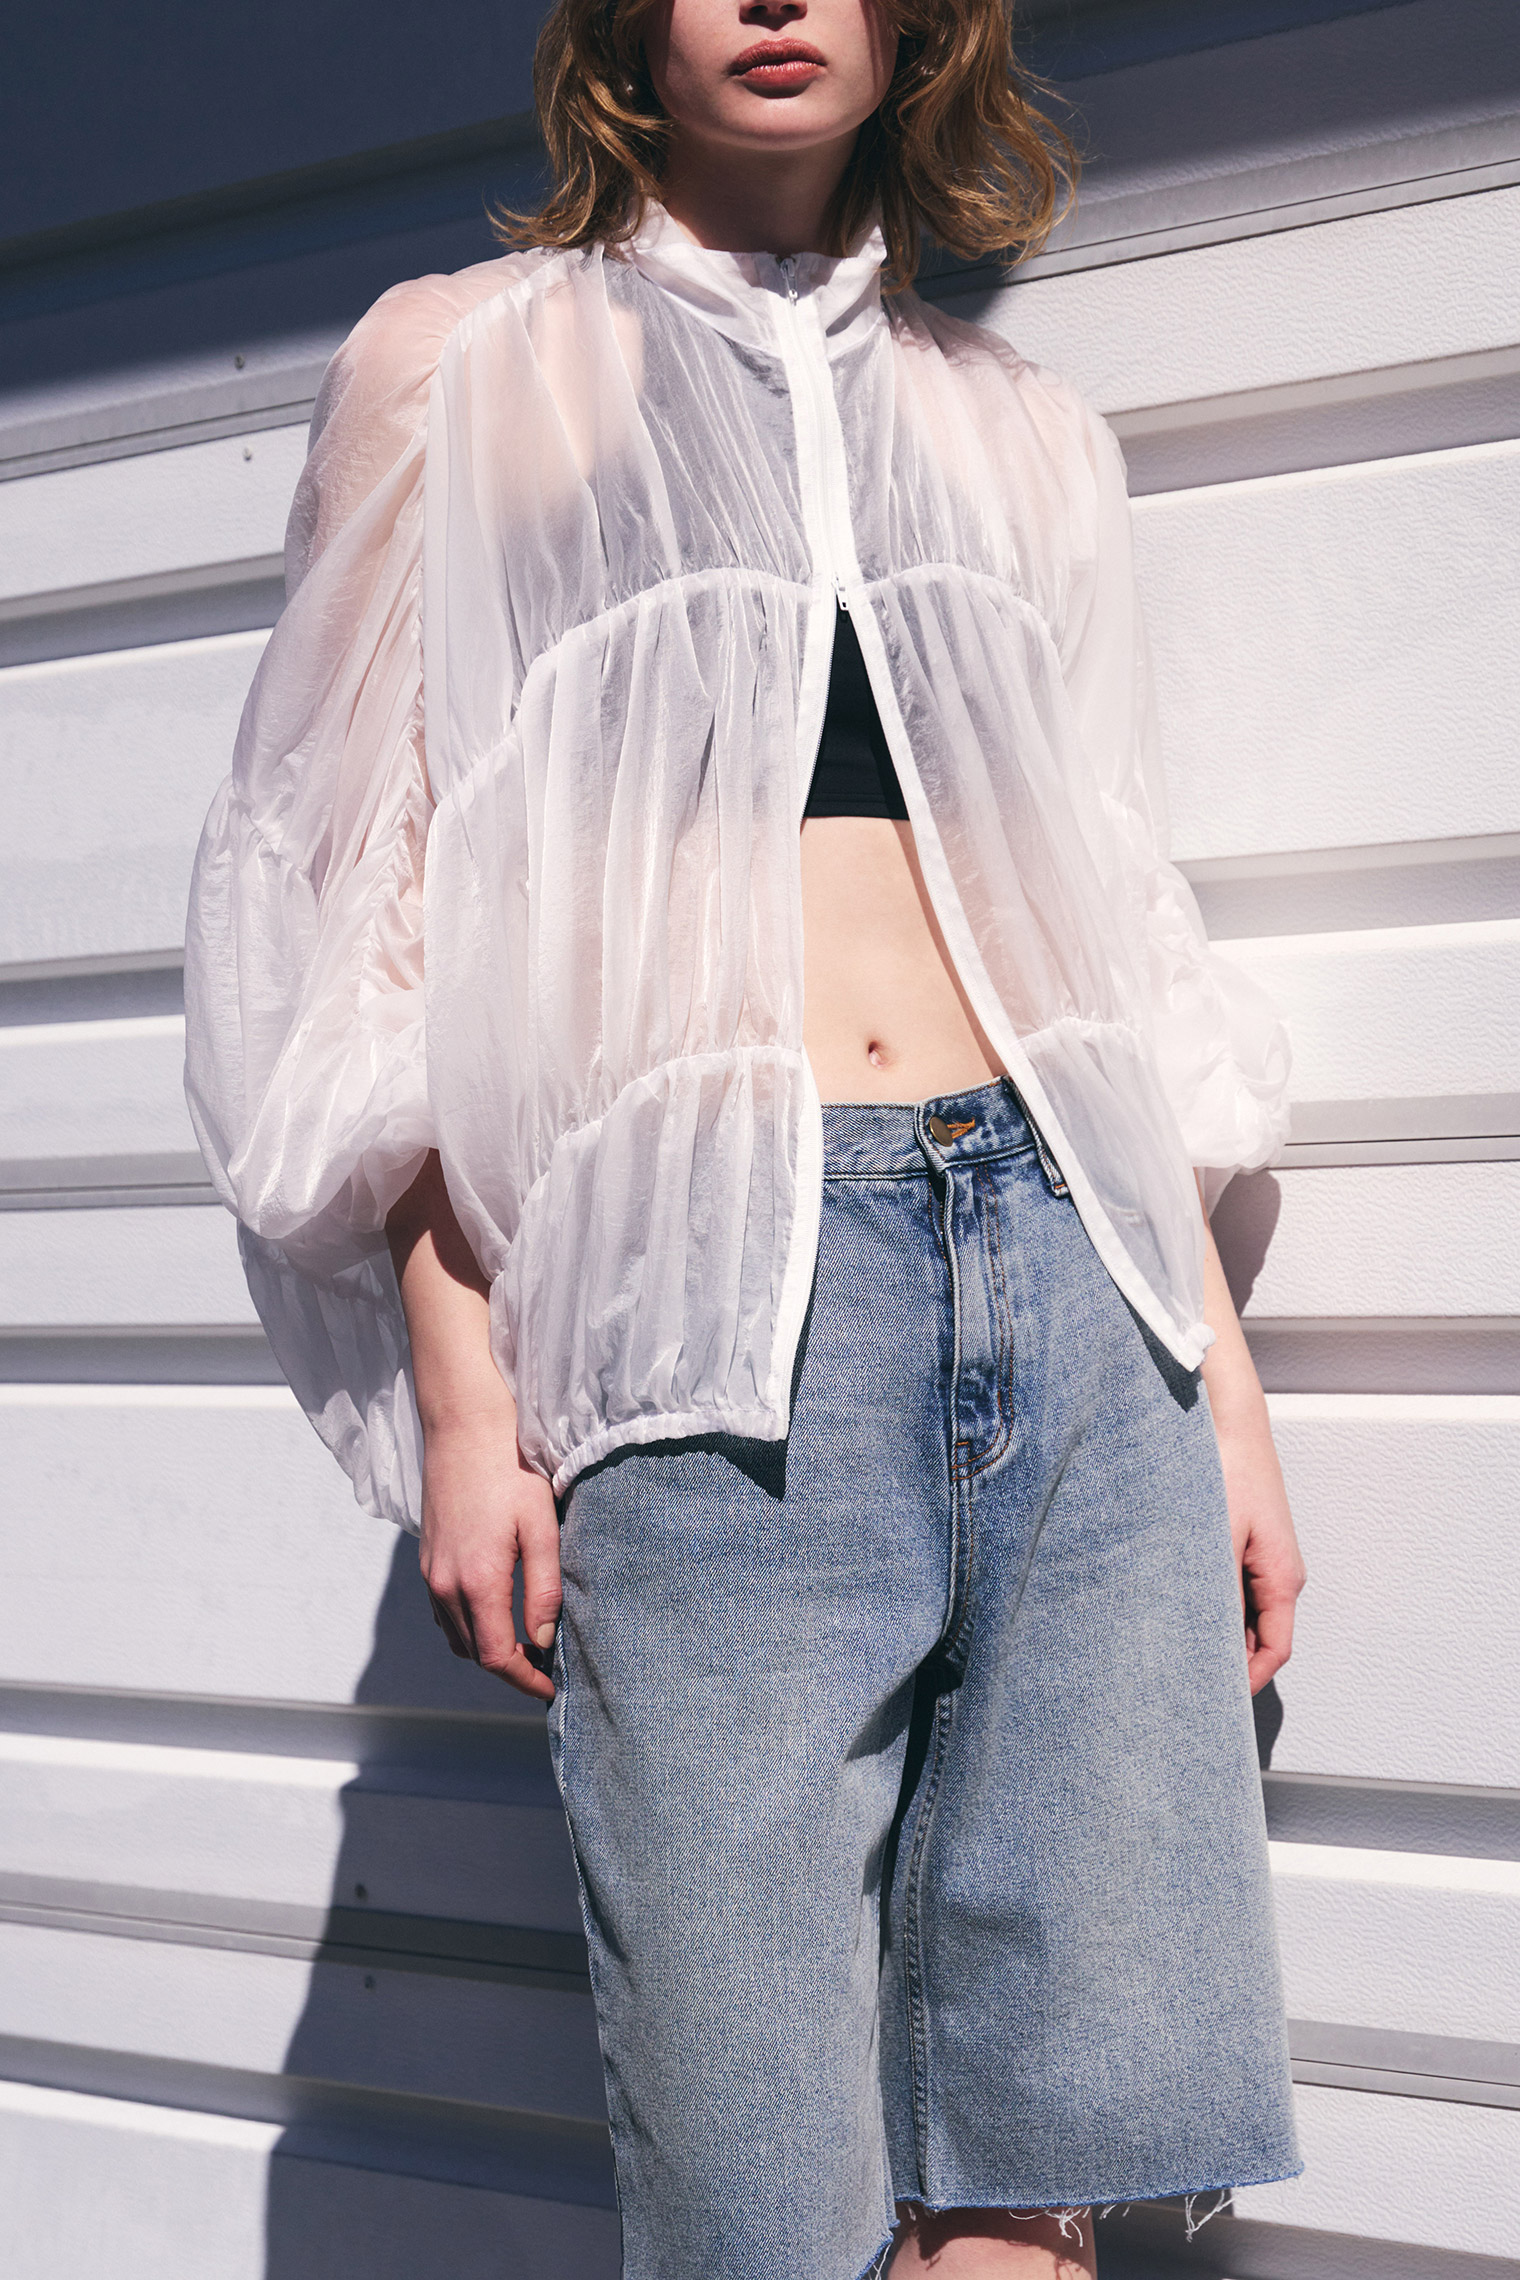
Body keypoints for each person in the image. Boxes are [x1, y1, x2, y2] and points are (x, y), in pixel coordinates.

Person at [184, 0, 1308, 2271]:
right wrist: (463, 1385)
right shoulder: (462, 370)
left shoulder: (1017, 432)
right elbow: (365, 895)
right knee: (757, 2189)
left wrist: (1229, 1400)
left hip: (1075, 1273)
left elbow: (1102, 920)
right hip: (711, 1314)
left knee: (1040, 2187)